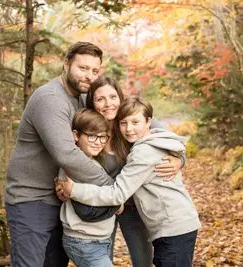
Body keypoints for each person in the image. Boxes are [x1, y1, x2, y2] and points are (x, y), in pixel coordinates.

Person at [5, 41, 112, 267]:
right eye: (82, 68)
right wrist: (111, 188)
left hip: (62, 201)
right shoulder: (50, 98)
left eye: (95, 71)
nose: (89, 76)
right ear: (66, 65)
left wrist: (169, 145)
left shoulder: (83, 98)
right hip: (31, 200)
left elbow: (122, 113)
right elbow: (66, 154)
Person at [59, 96, 201, 267]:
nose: (129, 129)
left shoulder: (143, 152)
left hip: (173, 226)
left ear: (149, 121)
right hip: (177, 223)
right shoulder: (155, 141)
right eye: (123, 123)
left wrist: (74, 190)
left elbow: (117, 193)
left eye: (135, 122)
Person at [85, 76, 184, 266]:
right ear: (92, 103)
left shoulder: (133, 119)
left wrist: (180, 160)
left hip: (135, 206)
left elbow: (172, 142)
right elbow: (73, 156)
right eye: (100, 99)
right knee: (102, 260)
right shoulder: (88, 126)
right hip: (103, 204)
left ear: (120, 97)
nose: (108, 104)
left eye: (113, 97)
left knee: (143, 260)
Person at [59, 108, 119, 266]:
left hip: (100, 240)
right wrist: (116, 204)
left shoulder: (94, 164)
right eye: (92, 135)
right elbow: (87, 211)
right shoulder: (73, 165)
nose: (99, 142)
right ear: (76, 135)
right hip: (83, 242)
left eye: (103, 137)